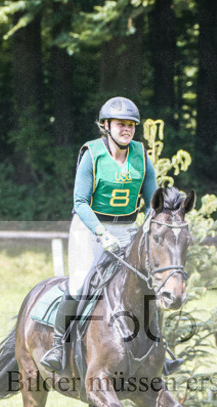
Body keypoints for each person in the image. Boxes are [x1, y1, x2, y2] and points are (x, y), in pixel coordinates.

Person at [40, 96, 159, 374]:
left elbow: (153, 200)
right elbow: (79, 202)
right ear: (106, 126)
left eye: (131, 125)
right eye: (121, 124)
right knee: (81, 285)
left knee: (146, 285)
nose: (127, 129)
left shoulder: (141, 156)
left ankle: (159, 348)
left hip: (128, 228)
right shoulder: (92, 154)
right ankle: (59, 346)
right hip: (90, 228)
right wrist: (102, 233)